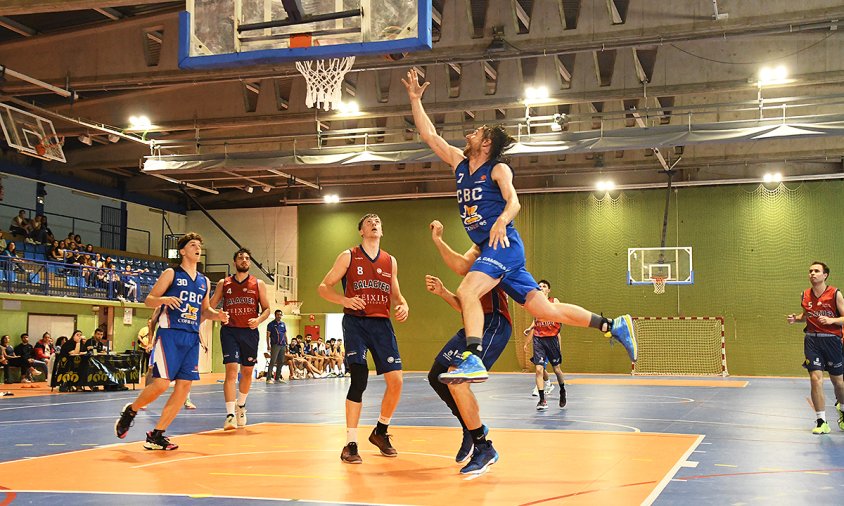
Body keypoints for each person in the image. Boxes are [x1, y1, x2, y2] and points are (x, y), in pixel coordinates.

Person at [403, 69, 637, 385]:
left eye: (478, 131)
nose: (470, 133)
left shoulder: (497, 168)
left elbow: (514, 202)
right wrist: (416, 100)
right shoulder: (460, 164)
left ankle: (473, 357)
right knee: (545, 311)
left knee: (468, 290)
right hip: (491, 248)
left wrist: (501, 220)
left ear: (486, 143)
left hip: (504, 245)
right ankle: (611, 324)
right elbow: (430, 135)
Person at [114, 232, 228, 450]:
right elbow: (149, 300)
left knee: (184, 387)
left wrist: (218, 315)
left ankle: (156, 434)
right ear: (183, 251)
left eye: (199, 245)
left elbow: (205, 310)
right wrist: (164, 299)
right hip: (170, 334)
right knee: (161, 384)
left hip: (192, 336)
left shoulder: (204, 281)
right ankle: (131, 410)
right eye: (193, 245)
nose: (197, 248)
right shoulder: (171, 273)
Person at [318, 213, 409, 464]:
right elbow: (323, 287)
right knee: (359, 378)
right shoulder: (348, 256)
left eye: (378, 221)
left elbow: (397, 295)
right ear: (361, 231)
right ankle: (350, 443)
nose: (374, 223)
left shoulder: (390, 261)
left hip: (381, 323)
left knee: (397, 381)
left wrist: (404, 305)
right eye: (368, 221)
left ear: (382, 230)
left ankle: (380, 431)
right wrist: (344, 300)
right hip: (356, 323)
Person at [426, 220, 512, 475]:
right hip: (473, 326)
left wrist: (439, 242)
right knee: (437, 374)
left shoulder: (495, 255)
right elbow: (464, 304)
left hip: (494, 324)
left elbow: (462, 265)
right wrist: (443, 292)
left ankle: (484, 447)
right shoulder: (476, 261)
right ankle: (469, 425)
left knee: (457, 377)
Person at [209, 247, 270, 431]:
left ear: (250, 263)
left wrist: (258, 319)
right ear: (234, 262)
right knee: (231, 371)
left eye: (247, 258)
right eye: (241, 258)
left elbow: (267, 309)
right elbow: (210, 307)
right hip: (230, 331)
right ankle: (229, 415)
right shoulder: (224, 283)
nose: (244, 260)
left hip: (249, 333)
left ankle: (241, 405)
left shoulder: (258, 284)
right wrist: (217, 315)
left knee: (247, 372)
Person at [787, 261, 844, 434]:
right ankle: (821, 422)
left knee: (839, 383)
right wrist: (796, 319)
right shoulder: (805, 295)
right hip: (812, 341)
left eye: (816, 271)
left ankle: (842, 408)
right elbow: (806, 315)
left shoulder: (835, 294)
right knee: (815, 379)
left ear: (825, 275)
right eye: (810, 271)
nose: (812, 273)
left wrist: (832, 320)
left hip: (833, 341)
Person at [523, 279, 567, 410]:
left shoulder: (554, 301)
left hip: (551, 338)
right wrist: (530, 328)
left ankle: (562, 390)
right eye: (539, 286)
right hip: (539, 338)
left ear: (548, 290)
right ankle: (542, 400)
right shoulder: (534, 304)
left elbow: (561, 313)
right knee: (538, 369)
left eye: (544, 286)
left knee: (557, 369)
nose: (541, 288)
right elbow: (536, 320)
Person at [265, 309, 288, 383]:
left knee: (281, 362)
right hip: (275, 345)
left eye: (280, 314)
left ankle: (277, 378)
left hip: (283, 345)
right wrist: (268, 345)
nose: (279, 316)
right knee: (272, 361)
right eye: (278, 314)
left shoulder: (283, 324)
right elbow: (267, 336)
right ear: (275, 315)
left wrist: (287, 345)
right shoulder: (271, 324)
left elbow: (285, 335)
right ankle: (268, 378)